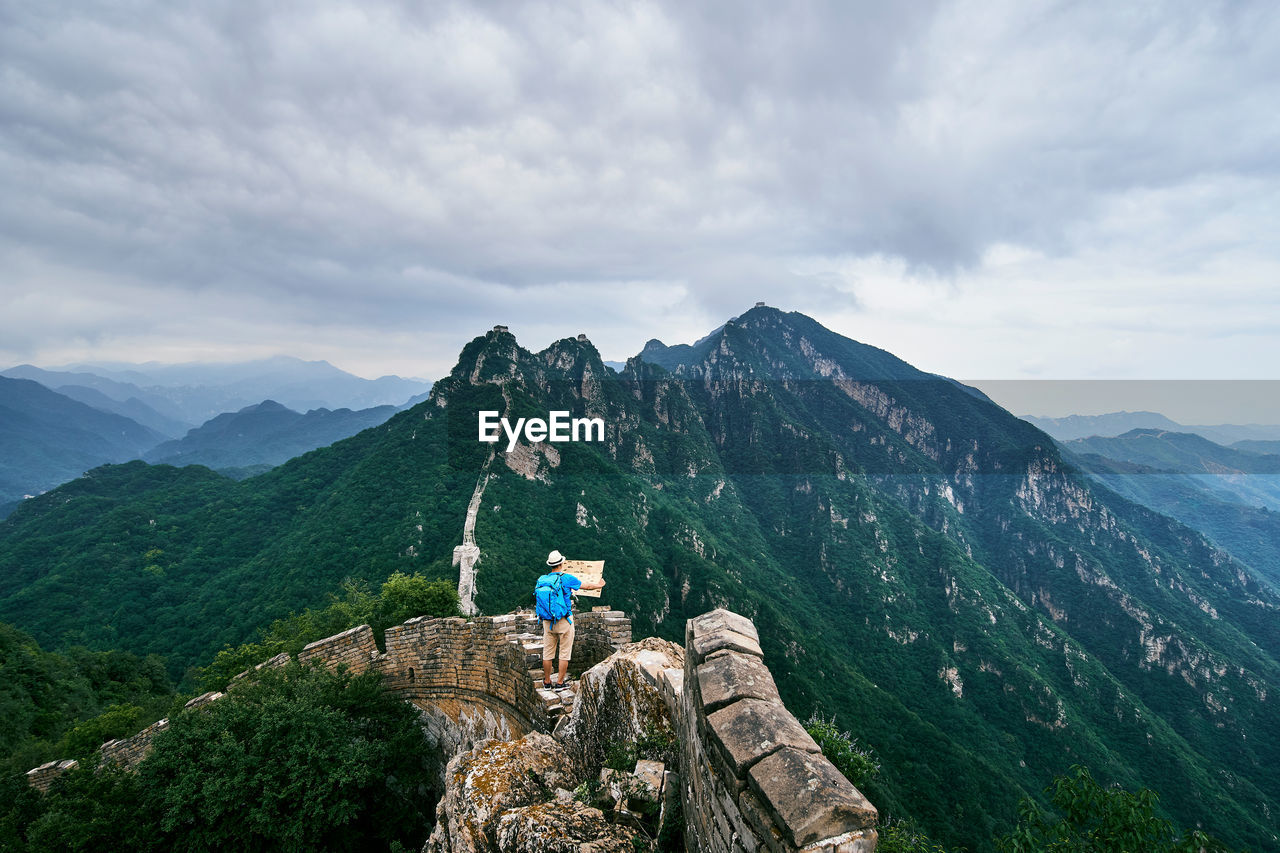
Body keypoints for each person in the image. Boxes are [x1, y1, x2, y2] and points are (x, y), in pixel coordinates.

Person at [538, 549, 605, 689]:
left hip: (547, 621)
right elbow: (586, 586)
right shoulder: (566, 578)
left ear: (550, 565)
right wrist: (599, 585)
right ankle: (560, 683)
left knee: (548, 653)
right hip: (563, 621)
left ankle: (547, 682)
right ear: (562, 563)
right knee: (564, 653)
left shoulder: (542, 579)